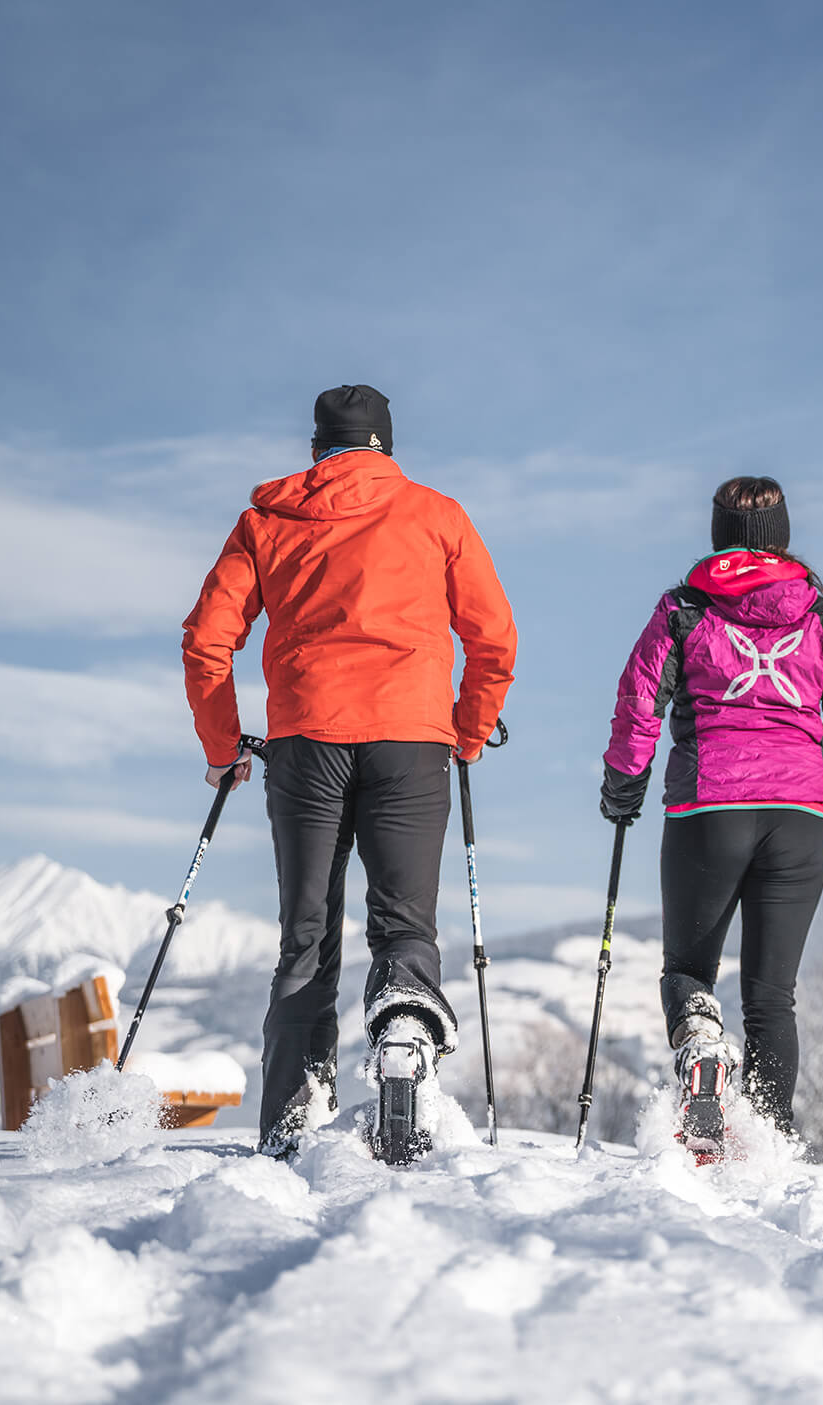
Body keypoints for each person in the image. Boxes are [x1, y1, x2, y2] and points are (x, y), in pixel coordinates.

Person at [182, 384, 517, 1159]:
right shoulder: (437, 515)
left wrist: (223, 745)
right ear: (386, 448)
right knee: (406, 923)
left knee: (306, 938)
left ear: (315, 450)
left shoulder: (267, 520)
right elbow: (494, 639)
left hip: (305, 743)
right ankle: (404, 1026)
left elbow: (207, 641)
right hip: (412, 742)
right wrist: (465, 732)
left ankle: (292, 1121)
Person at [601, 476, 823, 1152]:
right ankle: (769, 1146)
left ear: (718, 536)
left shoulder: (683, 611)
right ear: (782, 535)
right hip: (800, 815)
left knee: (689, 972)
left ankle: (701, 1041)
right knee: (771, 996)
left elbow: (639, 701)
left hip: (710, 806)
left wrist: (623, 783)